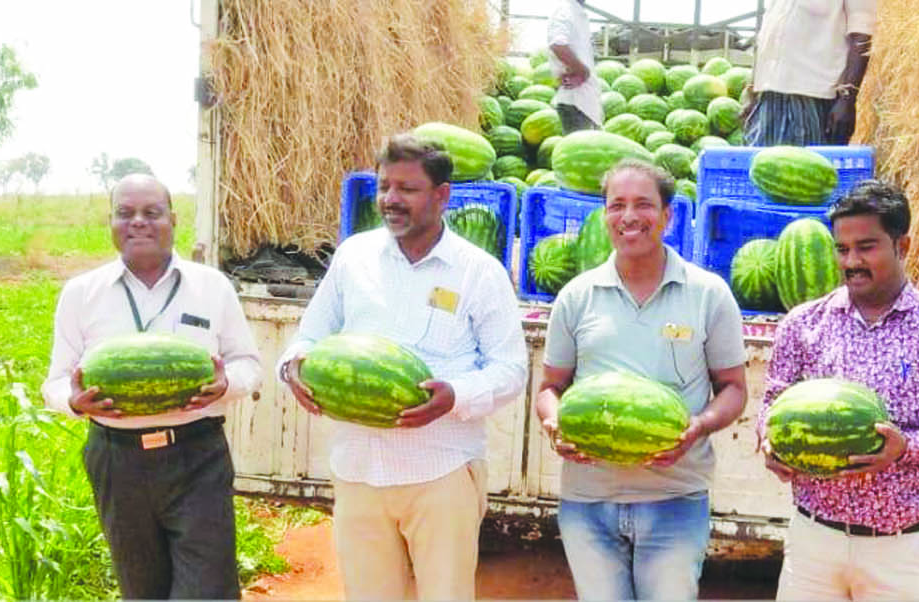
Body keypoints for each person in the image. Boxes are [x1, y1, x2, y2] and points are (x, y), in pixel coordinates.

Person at [276, 134, 528, 600]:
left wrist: (454, 395)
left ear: (442, 195)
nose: (391, 199)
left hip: (440, 472)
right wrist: (293, 368)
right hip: (358, 470)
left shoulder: (478, 271)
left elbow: (511, 369)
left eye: (407, 188)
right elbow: (307, 338)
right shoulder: (354, 257)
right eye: (384, 186)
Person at [758, 180, 919, 601]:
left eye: (866, 247)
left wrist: (906, 448)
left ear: (902, 246)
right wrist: (769, 443)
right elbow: (773, 401)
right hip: (814, 538)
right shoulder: (803, 324)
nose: (852, 261)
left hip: (899, 549)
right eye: (842, 249)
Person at [533, 159, 748, 600]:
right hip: (588, 501)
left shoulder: (708, 293)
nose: (629, 216)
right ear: (604, 215)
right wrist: (554, 424)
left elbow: (734, 389)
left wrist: (699, 426)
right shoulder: (576, 296)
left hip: (675, 500)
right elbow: (548, 389)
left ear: (668, 216)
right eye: (617, 205)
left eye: (644, 204)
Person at [41, 174, 260, 600]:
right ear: (111, 222)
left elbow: (248, 364)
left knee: (209, 590)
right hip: (117, 461)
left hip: (196, 456)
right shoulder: (80, 294)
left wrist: (225, 385)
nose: (138, 222)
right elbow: (54, 380)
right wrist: (72, 401)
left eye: (151, 213)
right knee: (141, 590)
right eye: (125, 213)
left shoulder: (211, 286)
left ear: (172, 219)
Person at [741, 0, 877, 146]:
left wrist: (847, 100)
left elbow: (862, 34)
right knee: (762, 166)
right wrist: (753, 93)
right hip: (769, 100)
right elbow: (768, 34)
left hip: (812, 102)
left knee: (804, 166)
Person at [548, 0, 603, 133]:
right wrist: (582, 71)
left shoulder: (575, 12)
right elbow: (558, 45)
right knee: (579, 151)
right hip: (575, 103)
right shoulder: (565, 10)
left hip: (582, 103)